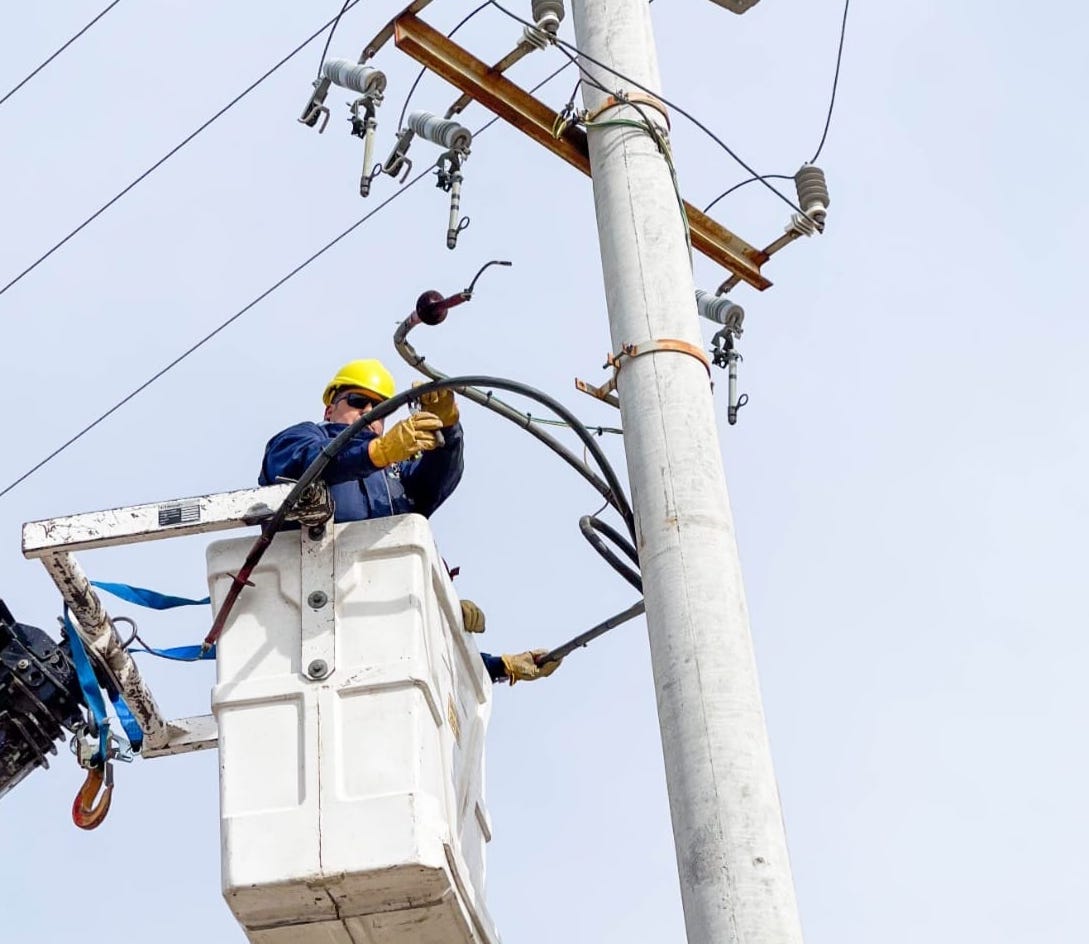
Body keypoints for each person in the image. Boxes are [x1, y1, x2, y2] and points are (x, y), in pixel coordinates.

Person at [260, 358, 560, 685]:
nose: (369, 412)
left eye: (380, 408)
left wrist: (447, 427)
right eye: (358, 401)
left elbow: (437, 478)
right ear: (330, 408)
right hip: (306, 611)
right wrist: (376, 453)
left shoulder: (393, 478)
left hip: (378, 629)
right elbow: (301, 463)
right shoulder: (303, 437)